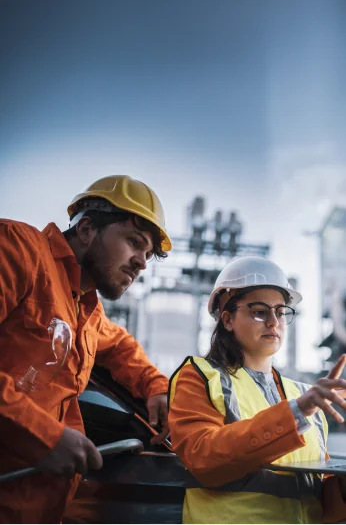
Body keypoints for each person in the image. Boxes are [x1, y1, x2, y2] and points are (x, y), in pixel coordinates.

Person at [0, 174, 172, 525]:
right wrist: (44, 436)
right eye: (133, 242)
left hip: (38, 508)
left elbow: (122, 347)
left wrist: (157, 386)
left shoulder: (87, 309)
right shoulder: (17, 249)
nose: (141, 262)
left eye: (148, 254)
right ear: (87, 229)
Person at [168, 255, 346, 524]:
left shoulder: (305, 395)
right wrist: (297, 411)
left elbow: (321, 499)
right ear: (227, 320)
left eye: (281, 311)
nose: (274, 321)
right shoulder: (201, 376)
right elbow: (203, 459)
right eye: (259, 311)